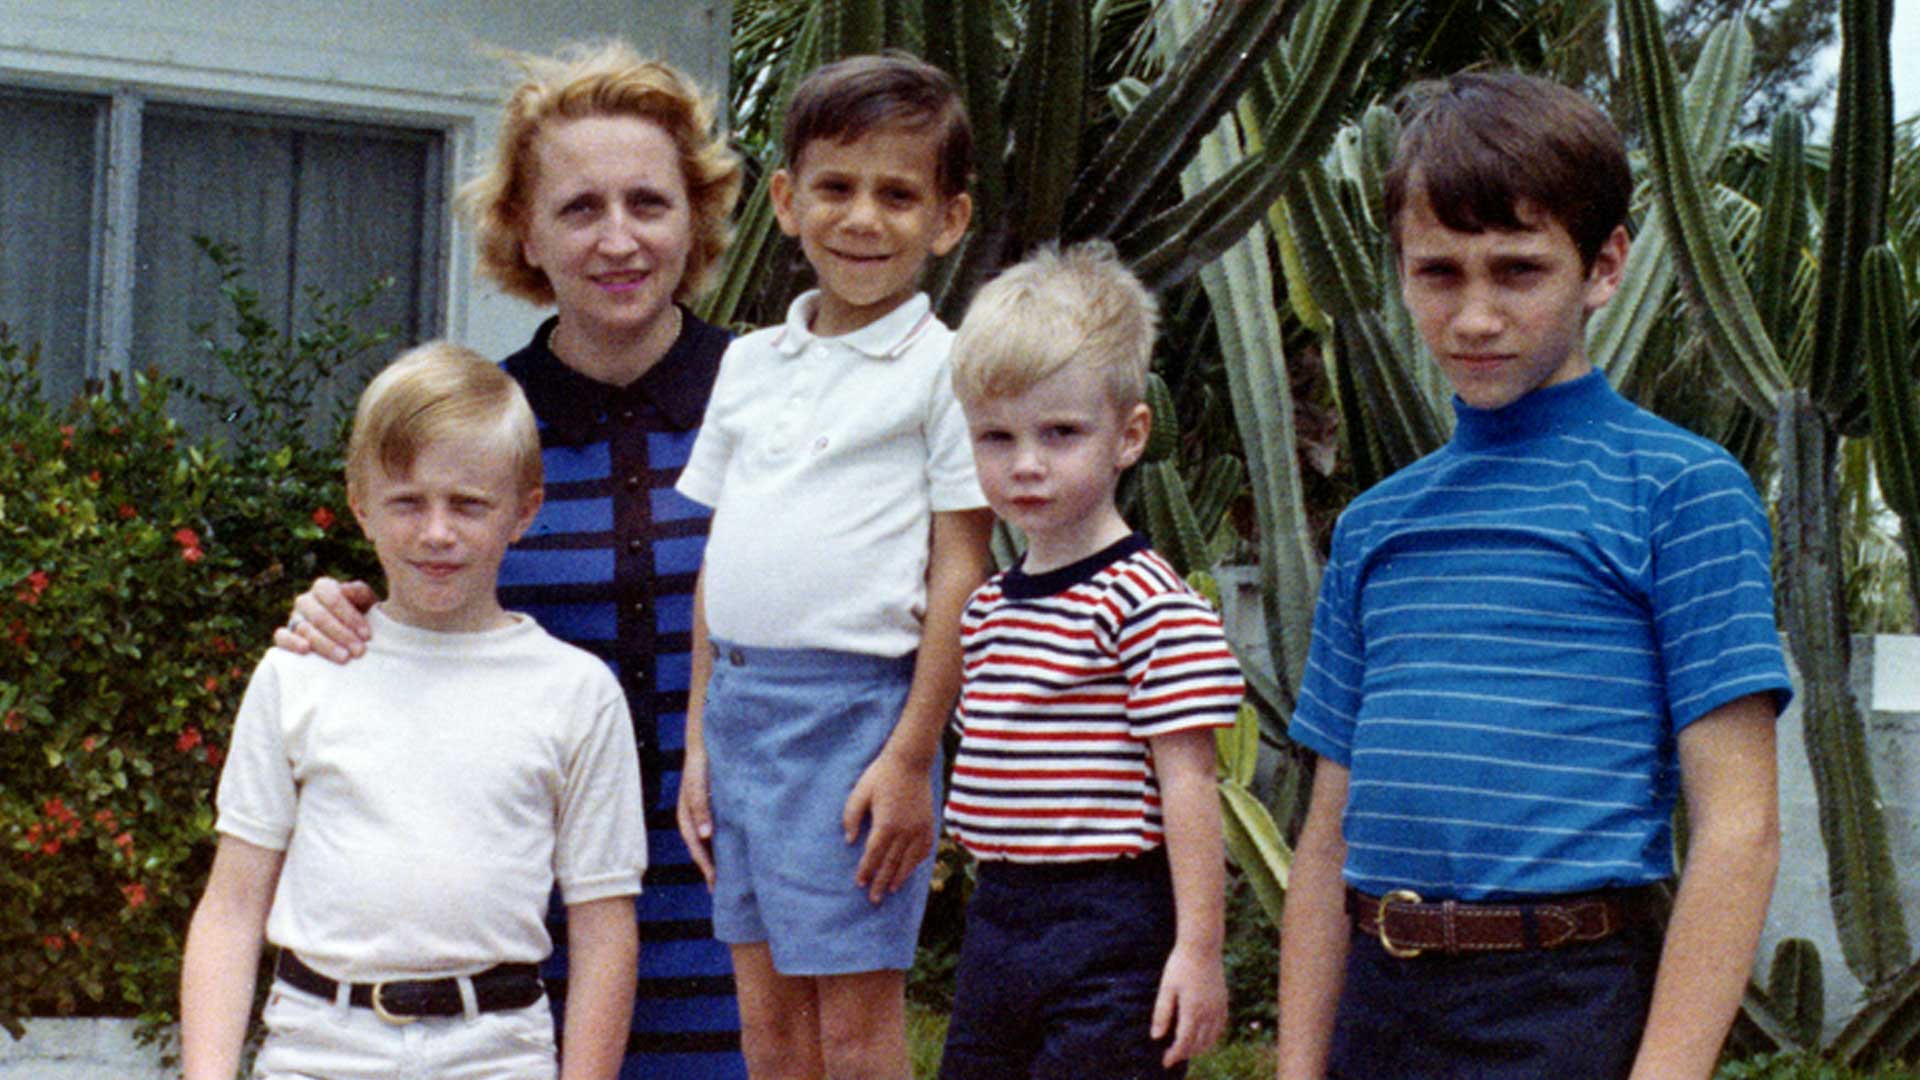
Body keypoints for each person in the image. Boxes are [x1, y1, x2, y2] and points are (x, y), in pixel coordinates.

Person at [1274, 71, 1793, 1080]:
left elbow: (1740, 828)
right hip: (1378, 1012)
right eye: (1437, 272)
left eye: (1516, 270)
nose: (1473, 316)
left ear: (1602, 268)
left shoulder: (1680, 490)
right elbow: (1327, 836)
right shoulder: (1378, 525)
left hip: (1565, 1008)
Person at [275, 41, 752, 1077]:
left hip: (743, 914)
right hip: (518, 958)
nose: (618, 239)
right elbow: (417, 587)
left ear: (696, 217)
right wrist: (337, 606)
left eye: (648, 202)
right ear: (524, 231)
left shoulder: (777, 404)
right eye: (580, 208)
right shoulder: (477, 430)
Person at [182, 343, 644, 1080]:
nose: (436, 532)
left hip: (496, 1052)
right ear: (362, 507)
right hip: (318, 1048)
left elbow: (605, 931)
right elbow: (233, 908)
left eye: (468, 503)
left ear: (523, 513)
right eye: (407, 502)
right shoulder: (302, 673)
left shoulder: (576, 693)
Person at [670, 52, 996, 1080]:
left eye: (898, 195)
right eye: (837, 187)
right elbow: (720, 566)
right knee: (768, 1026)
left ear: (948, 219)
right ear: (786, 201)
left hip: (858, 724)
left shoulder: (946, 369)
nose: (862, 217)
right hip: (742, 719)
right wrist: (696, 743)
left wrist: (910, 754)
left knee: (852, 1031)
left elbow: (960, 571)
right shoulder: (749, 363)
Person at [934, 242, 1243, 1079]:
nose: (1025, 462)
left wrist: (1197, 950)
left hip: (1111, 924)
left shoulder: (1148, 603)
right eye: (996, 436)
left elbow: (1188, 783)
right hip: (1000, 918)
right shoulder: (991, 606)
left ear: (1129, 435)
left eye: (1060, 432)